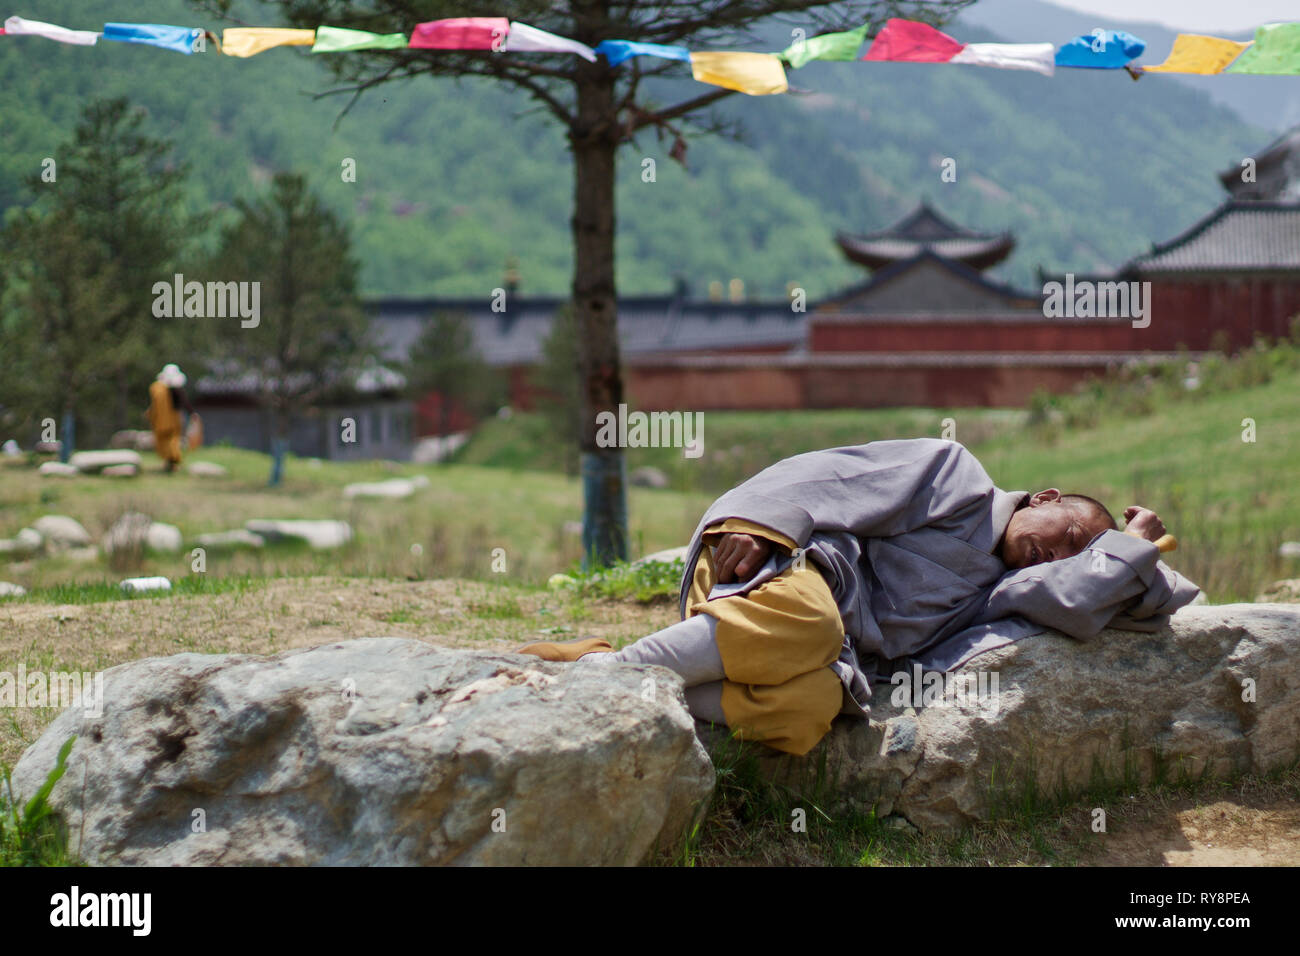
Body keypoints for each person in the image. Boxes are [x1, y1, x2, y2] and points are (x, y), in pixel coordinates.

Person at [517, 438, 1200, 756]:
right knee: (810, 626)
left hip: (828, 652)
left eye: (1078, 558)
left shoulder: (1010, 593)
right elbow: (824, 475)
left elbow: (1117, 606)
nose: (1057, 557)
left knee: (809, 710)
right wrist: (760, 526)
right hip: (784, 571)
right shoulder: (954, 475)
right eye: (1068, 533)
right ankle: (611, 675)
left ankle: (600, 671)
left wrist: (1133, 544)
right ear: (1045, 497)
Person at [146, 364, 195, 473]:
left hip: (160, 421)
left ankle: (170, 464)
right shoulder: (173, 390)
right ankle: (172, 463)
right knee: (172, 442)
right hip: (172, 421)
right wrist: (192, 413)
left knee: (166, 442)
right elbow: (183, 401)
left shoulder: (156, 388)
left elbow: (153, 405)